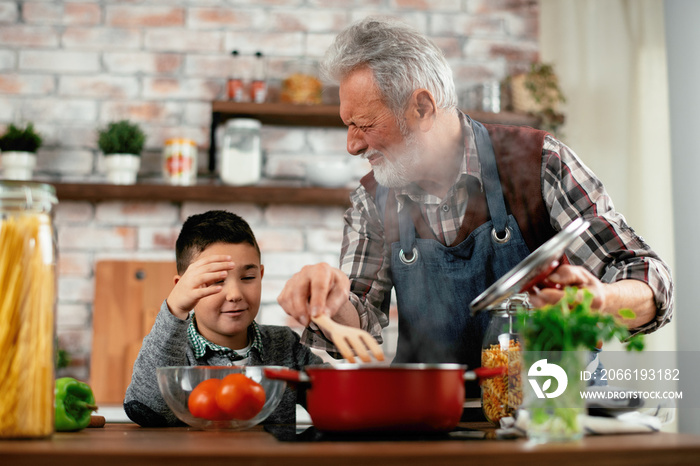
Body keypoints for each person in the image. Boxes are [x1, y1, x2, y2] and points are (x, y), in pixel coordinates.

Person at [277, 17, 674, 394]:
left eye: (363, 124)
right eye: (348, 126)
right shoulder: (374, 199)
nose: (353, 145)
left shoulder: (539, 162)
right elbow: (361, 324)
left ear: (421, 108)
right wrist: (329, 300)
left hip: (552, 413)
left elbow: (649, 278)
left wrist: (602, 301)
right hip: (433, 417)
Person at [124, 210, 323, 427]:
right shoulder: (171, 349)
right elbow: (145, 409)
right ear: (182, 288)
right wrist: (175, 309)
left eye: (248, 277)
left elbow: (338, 397)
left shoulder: (285, 345)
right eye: (216, 281)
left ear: (261, 275)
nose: (235, 294)